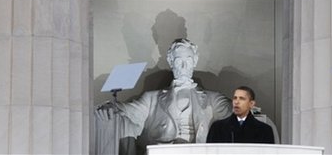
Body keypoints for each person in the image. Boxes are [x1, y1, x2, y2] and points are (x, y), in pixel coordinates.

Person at [95, 38, 232, 154]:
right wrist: (112, 107)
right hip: (163, 150)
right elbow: (128, 111)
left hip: (199, 151)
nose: (184, 66)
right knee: (111, 119)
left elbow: (237, 111)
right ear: (171, 62)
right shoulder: (151, 98)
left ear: (195, 61)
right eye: (178, 61)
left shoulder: (212, 98)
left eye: (188, 61)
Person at [206, 86, 274, 144]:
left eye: (242, 99)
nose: (236, 102)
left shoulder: (264, 130)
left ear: (251, 104)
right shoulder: (217, 128)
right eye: (235, 98)